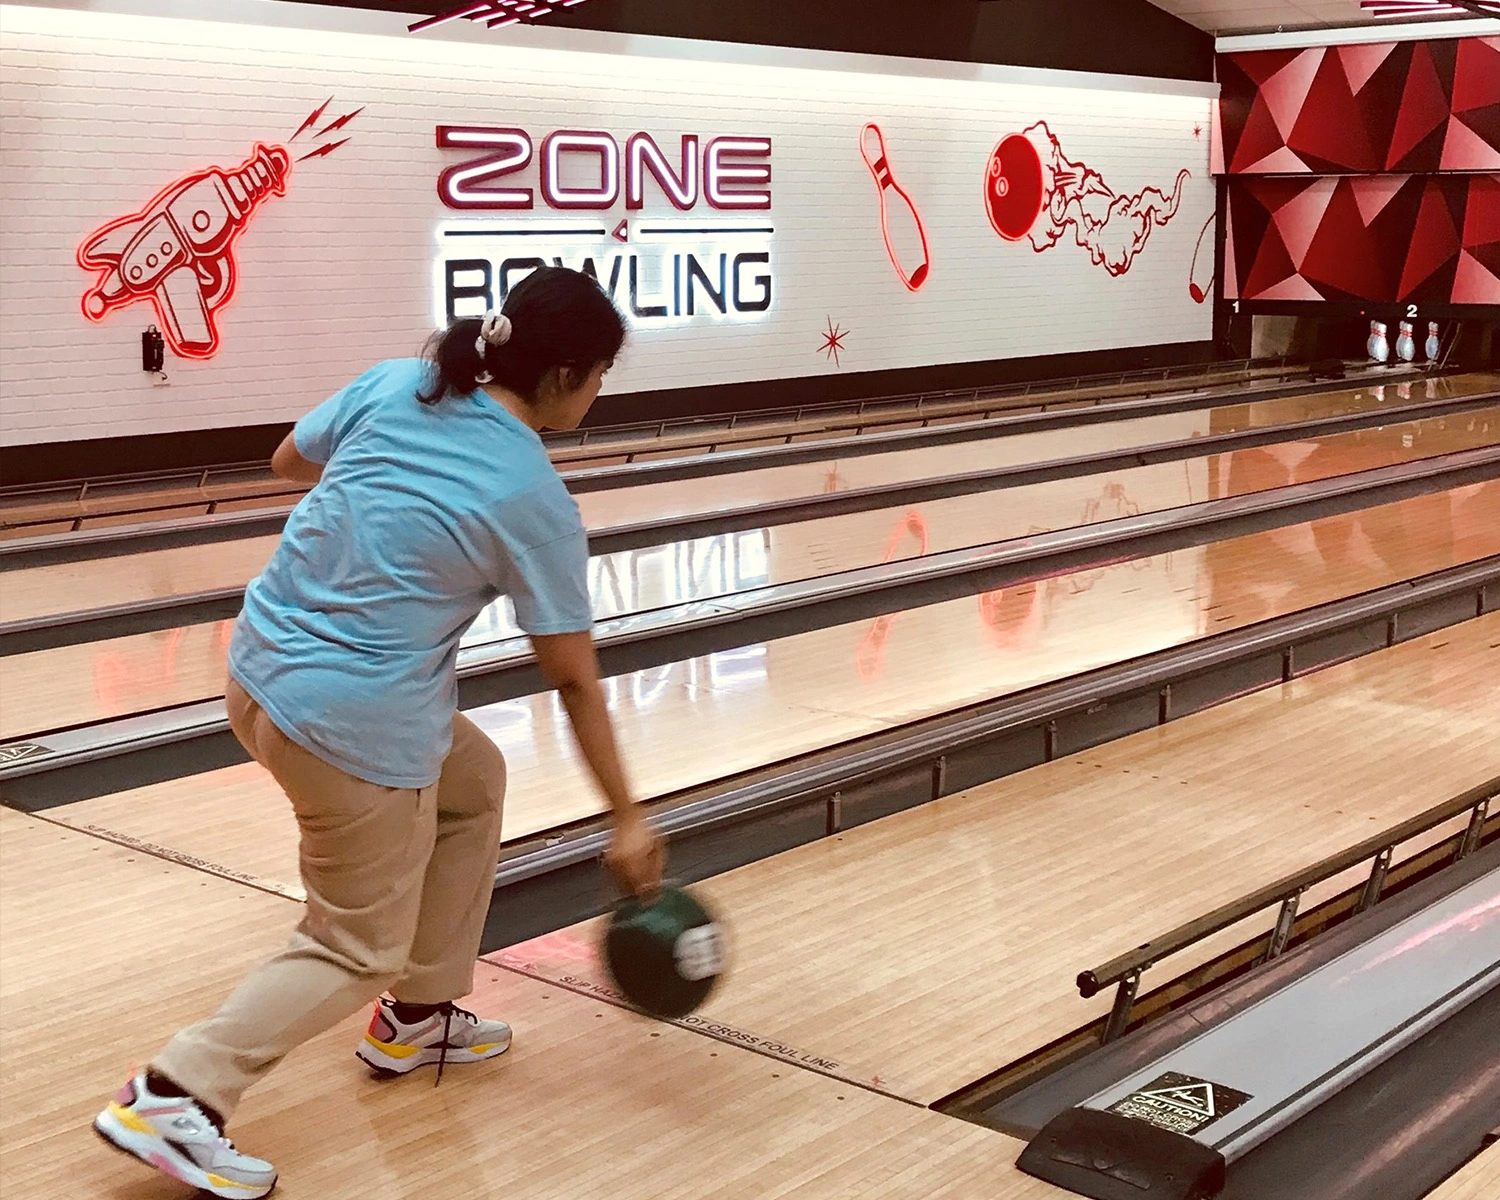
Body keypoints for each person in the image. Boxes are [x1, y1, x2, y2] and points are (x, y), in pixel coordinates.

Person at [93, 267, 665, 1198]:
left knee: (471, 784)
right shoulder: (532, 498)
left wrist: (386, 495)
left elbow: (289, 459)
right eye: (601, 372)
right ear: (566, 375)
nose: (599, 393)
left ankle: (420, 1017)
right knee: (355, 943)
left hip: (259, 672)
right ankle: (177, 1094)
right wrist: (628, 819)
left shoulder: (400, 382)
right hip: (351, 730)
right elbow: (572, 680)